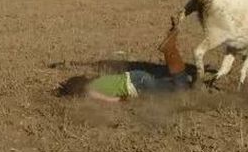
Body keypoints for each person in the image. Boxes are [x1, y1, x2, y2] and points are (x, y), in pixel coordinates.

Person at [56, 22, 192, 102]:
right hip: (133, 75)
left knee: (179, 88)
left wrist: (122, 100)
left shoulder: (89, 91)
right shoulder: (96, 80)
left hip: (136, 84)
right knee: (170, 85)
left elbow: (111, 101)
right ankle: (173, 53)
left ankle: (170, 49)